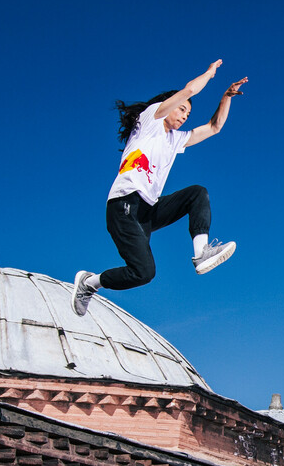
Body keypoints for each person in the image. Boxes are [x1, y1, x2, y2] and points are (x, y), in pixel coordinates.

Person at [72, 60, 245, 316]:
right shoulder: (150, 119)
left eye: (188, 114)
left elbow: (214, 127)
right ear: (171, 105)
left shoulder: (175, 140)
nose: (186, 116)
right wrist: (209, 75)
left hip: (148, 212)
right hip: (124, 205)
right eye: (182, 110)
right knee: (144, 273)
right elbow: (188, 91)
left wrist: (226, 97)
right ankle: (89, 283)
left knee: (197, 193)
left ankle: (201, 252)